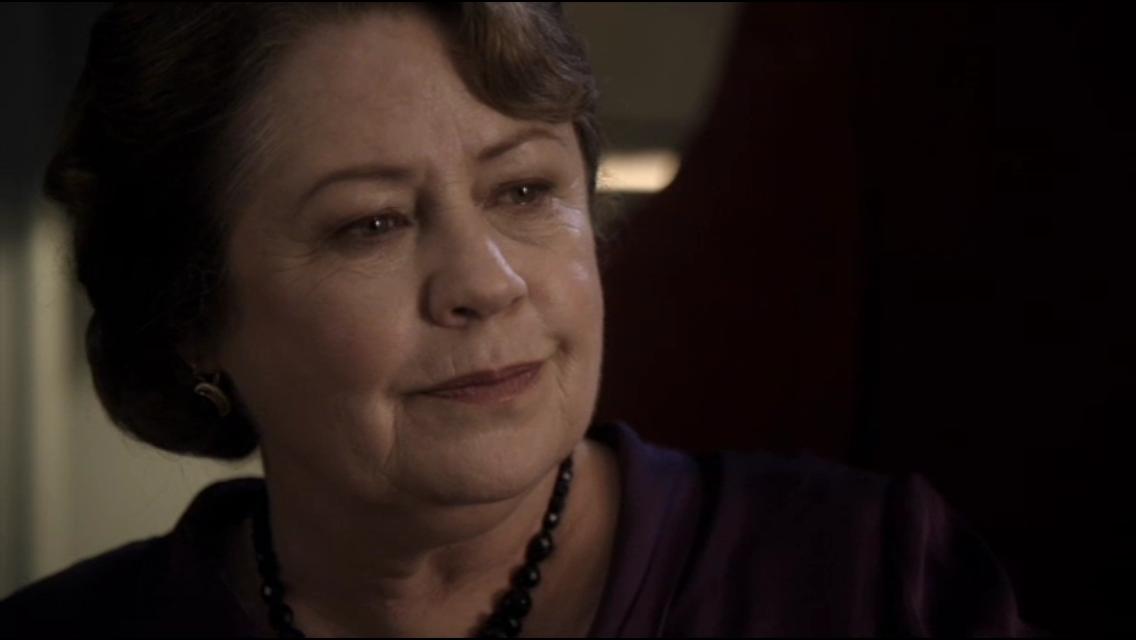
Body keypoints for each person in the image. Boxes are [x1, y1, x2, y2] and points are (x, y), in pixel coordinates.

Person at [0, 3, 1035, 637]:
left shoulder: (869, 578)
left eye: (525, 190)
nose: (486, 283)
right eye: (371, 223)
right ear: (190, 316)